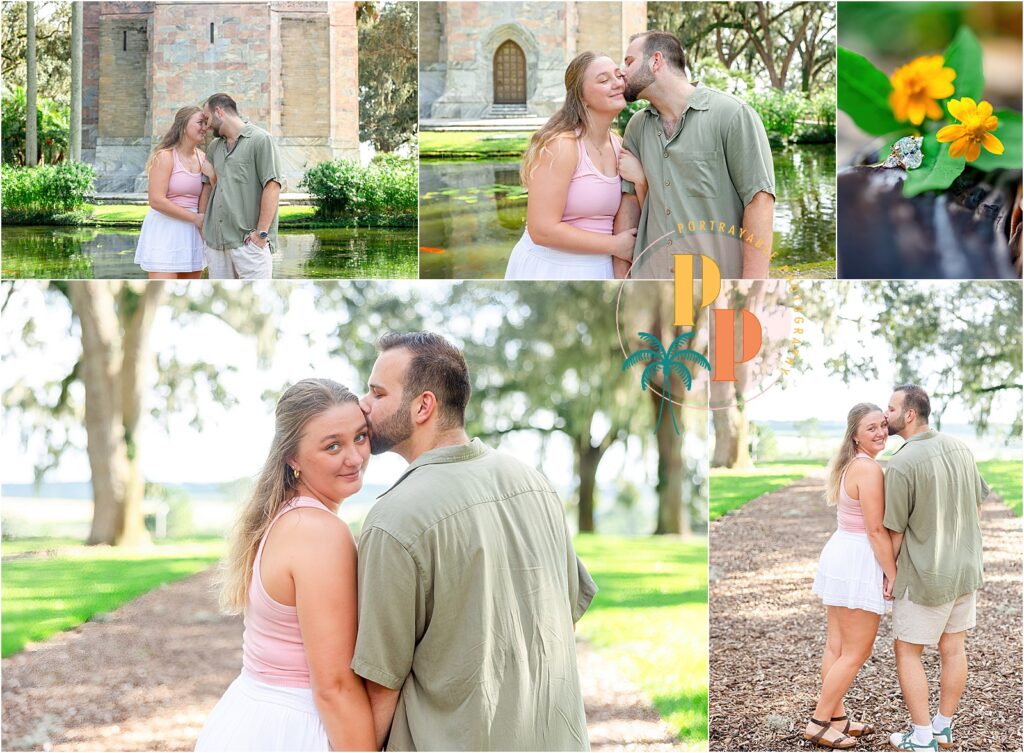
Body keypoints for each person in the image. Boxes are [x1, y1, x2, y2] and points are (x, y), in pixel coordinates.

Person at [352, 332, 596, 750]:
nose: (363, 404)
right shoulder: (535, 482)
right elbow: (566, 610)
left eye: (377, 392)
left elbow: (380, 688)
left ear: (423, 405)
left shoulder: (393, 520)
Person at [195, 379, 375, 752]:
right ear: (292, 457)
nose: (355, 457)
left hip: (250, 715)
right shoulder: (319, 532)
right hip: (292, 728)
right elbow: (334, 687)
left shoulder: (285, 517)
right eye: (333, 446)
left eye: (360, 437)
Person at [616, 31, 776, 280]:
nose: (621, 72)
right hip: (652, 285)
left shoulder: (733, 115)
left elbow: (760, 202)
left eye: (628, 62)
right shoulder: (637, 127)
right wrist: (621, 282)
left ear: (656, 61)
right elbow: (629, 207)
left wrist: (752, 287)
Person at [883, 385, 989, 752]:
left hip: (926, 575)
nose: (886, 414)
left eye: (891, 407)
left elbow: (894, 531)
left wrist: (890, 575)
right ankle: (943, 728)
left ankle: (923, 737)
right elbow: (978, 504)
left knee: (907, 651)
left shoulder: (899, 464)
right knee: (953, 648)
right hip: (965, 569)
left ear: (909, 415)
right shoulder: (961, 447)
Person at [804, 403, 898, 750]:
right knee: (856, 651)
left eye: (883, 426)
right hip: (858, 557)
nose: (879, 433)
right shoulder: (869, 469)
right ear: (855, 434)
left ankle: (838, 718)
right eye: (871, 427)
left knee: (838, 646)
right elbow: (875, 530)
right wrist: (893, 574)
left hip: (842, 553)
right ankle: (818, 722)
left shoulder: (851, 465)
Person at [505, 51, 640, 280]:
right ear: (582, 96)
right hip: (552, 269)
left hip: (602, 269)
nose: (617, 83)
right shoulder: (562, 146)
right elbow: (542, 230)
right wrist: (616, 245)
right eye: (604, 80)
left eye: (618, 76)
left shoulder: (618, 145)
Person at [200, 93, 282, 280]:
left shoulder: (261, 140)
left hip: (248, 244)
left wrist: (261, 233)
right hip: (216, 245)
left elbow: (272, 186)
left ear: (219, 112)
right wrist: (204, 230)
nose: (206, 126)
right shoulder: (214, 147)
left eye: (207, 119)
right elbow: (209, 189)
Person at [134, 106, 212, 279]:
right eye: (200, 122)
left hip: (193, 232)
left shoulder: (203, 158)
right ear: (184, 126)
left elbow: (207, 193)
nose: (205, 127)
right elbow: (156, 200)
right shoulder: (165, 157)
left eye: (206, 123)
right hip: (166, 230)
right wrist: (195, 218)